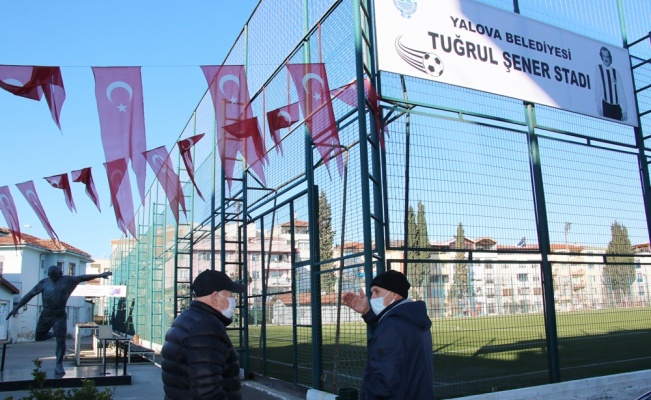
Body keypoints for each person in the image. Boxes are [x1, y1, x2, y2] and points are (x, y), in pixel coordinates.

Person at [342, 269, 434, 399]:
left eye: (377, 291)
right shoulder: (412, 319)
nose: (372, 297)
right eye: (372, 292)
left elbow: (384, 383)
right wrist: (368, 312)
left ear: (394, 294)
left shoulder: (393, 326)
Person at [6, 265, 112, 375]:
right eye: (53, 275)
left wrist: (100, 275)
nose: (55, 277)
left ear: (60, 274)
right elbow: (29, 295)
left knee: (61, 341)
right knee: (39, 337)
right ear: (50, 275)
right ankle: (55, 334)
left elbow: (82, 277)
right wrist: (16, 308)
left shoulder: (67, 280)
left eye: (56, 275)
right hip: (46, 315)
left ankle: (59, 364)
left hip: (59, 315)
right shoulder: (44, 283)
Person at [161, 269, 246, 400]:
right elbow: (207, 391)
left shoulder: (185, 319)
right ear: (215, 298)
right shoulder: (206, 327)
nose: (232, 301)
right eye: (230, 296)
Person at [594, 46, 628, 121]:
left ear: (610, 57)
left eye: (607, 56)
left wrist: (624, 110)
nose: (606, 58)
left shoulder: (615, 72)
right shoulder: (599, 68)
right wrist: (599, 105)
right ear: (601, 57)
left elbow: (621, 91)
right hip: (606, 105)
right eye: (604, 56)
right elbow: (597, 89)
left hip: (616, 107)